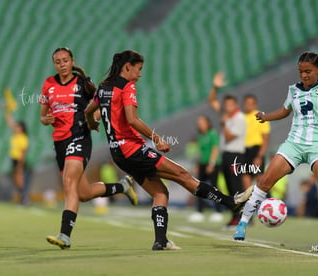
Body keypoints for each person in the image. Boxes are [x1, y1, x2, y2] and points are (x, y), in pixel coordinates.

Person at [85, 50, 253, 250]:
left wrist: (91, 123)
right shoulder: (127, 86)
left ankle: (161, 240)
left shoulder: (104, 87)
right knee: (182, 174)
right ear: (127, 67)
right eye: (138, 69)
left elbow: (89, 111)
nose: (139, 74)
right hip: (132, 148)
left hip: (118, 154)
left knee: (161, 192)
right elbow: (132, 119)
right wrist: (157, 139)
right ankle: (230, 202)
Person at [234, 51, 318, 248]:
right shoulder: (293, 90)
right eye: (300, 71)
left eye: (308, 71)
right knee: (265, 181)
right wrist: (266, 117)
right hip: (294, 143)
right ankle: (243, 222)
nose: (304, 75)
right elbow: (284, 111)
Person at [39, 47, 138, 249]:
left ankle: (65, 236)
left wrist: (93, 120)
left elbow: (102, 103)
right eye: (58, 61)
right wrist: (45, 119)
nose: (62, 64)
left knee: (68, 183)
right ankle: (122, 186)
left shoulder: (83, 84)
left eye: (65, 60)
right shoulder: (48, 85)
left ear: (71, 61)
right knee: (82, 193)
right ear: (54, 64)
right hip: (59, 143)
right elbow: (42, 116)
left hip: (79, 137)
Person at [208, 72, 247, 227]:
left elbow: (230, 137)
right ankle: (234, 215)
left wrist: (223, 124)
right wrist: (215, 87)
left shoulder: (239, 118)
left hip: (235, 155)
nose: (227, 107)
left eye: (230, 105)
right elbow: (211, 100)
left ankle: (243, 217)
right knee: (230, 187)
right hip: (226, 155)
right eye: (226, 105)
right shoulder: (228, 116)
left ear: (235, 105)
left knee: (236, 186)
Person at [188, 115, 223, 223]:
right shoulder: (200, 135)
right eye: (198, 123)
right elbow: (200, 151)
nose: (200, 125)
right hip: (203, 164)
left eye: (202, 122)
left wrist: (211, 163)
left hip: (212, 164)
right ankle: (199, 211)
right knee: (198, 187)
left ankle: (218, 211)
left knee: (214, 187)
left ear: (208, 123)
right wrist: (198, 165)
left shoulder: (212, 133)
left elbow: (215, 149)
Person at [242, 94, 270, 190]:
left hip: (256, 150)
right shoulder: (241, 117)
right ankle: (250, 203)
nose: (249, 105)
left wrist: (259, 156)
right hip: (244, 151)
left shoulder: (260, 116)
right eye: (247, 103)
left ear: (255, 104)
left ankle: (266, 202)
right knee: (245, 177)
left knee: (260, 179)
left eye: (251, 103)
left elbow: (265, 139)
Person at [3, 106, 30, 205]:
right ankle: (22, 198)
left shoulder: (23, 138)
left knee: (21, 181)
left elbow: (23, 152)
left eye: (18, 127)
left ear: (22, 129)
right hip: (14, 159)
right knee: (16, 180)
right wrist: (6, 111)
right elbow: (10, 122)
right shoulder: (16, 135)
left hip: (19, 161)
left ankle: (25, 198)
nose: (16, 128)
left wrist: (20, 164)